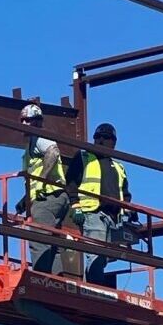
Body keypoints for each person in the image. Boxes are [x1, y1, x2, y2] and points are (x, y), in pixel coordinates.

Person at [72, 122, 134, 286]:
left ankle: (92, 284)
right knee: (96, 253)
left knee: (107, 255)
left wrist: (129, 211)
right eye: (97, 137)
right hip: (93, 213)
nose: (100, 140)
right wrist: (76, 207)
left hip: (114, 219)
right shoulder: (84, 158)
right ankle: (94, 288)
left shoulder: (119, 167)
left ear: (113, 142)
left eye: (105, 137)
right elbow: (71, 184)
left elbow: (125, 194)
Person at [17, 101, 68, 271]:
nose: (24, 123)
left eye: (28, 120)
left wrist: (43, 180)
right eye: (22, 120)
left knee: (38, 237)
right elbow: (34, 176)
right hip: (52, 196)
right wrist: (25, 200)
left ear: (38, 122)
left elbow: (53, 152)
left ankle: (41, 278)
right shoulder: (30, 146)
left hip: (48, 196)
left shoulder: (39, 138)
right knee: (53, 242)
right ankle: (56, 281)